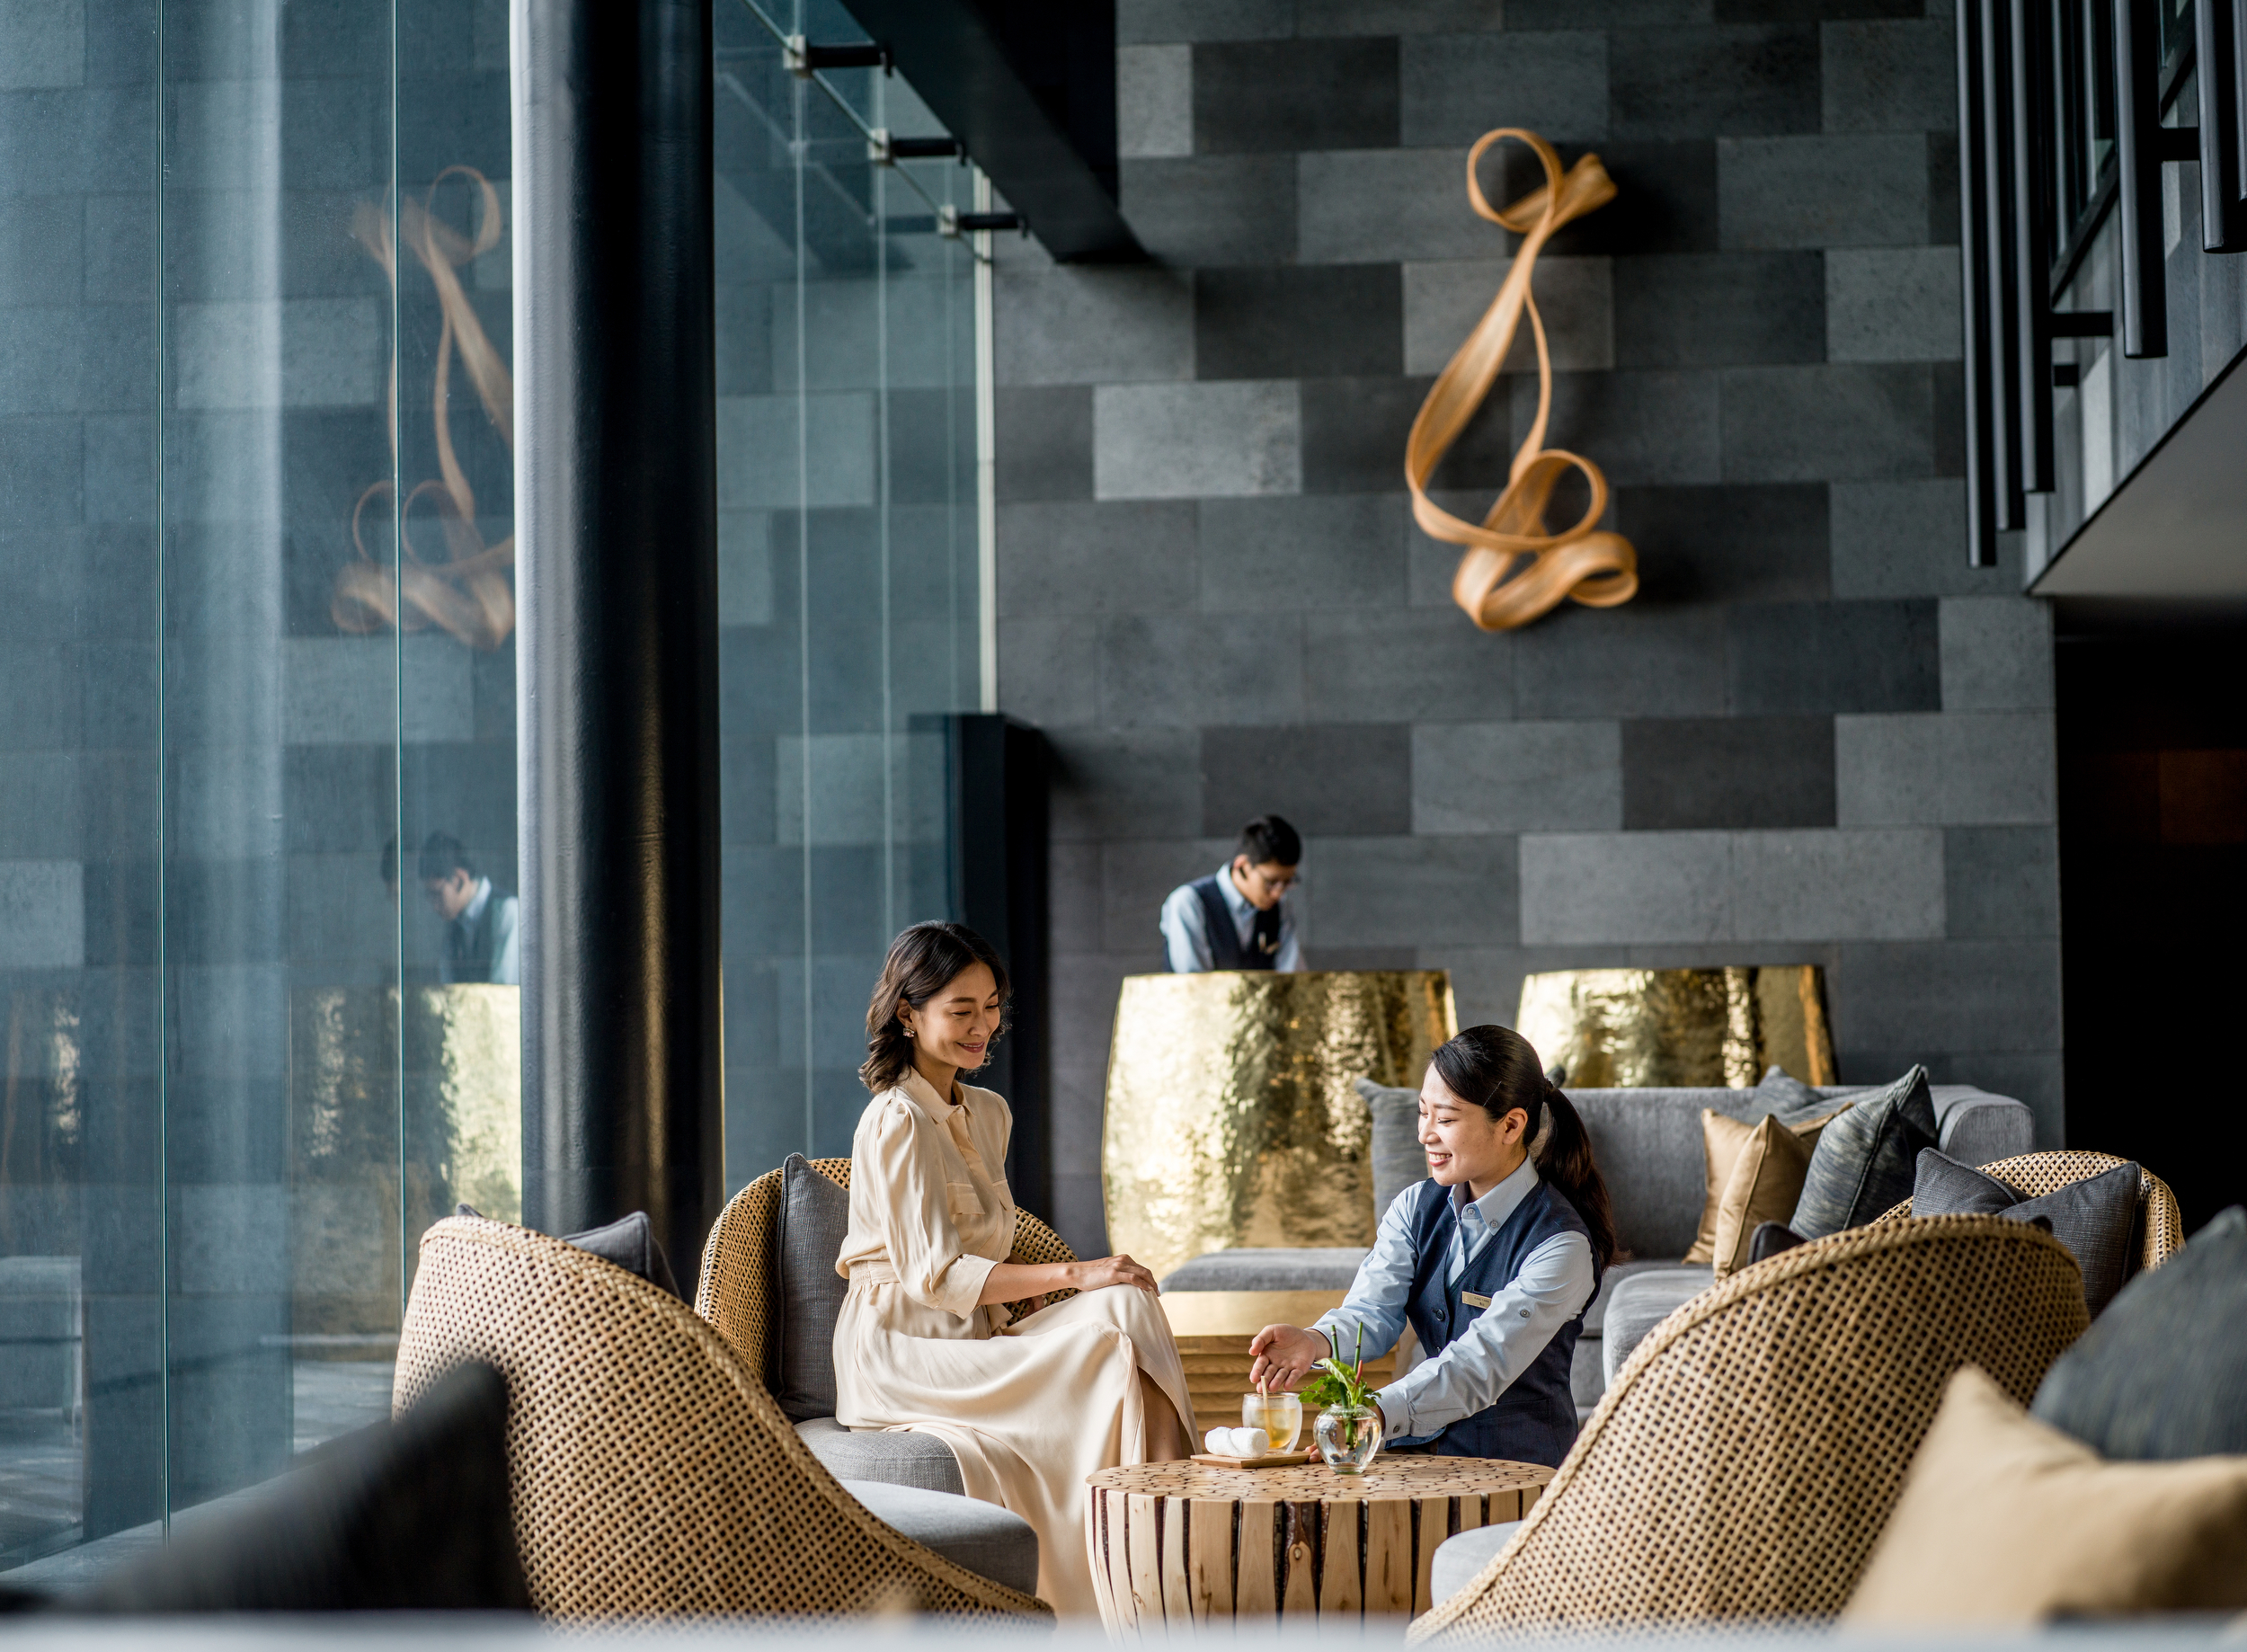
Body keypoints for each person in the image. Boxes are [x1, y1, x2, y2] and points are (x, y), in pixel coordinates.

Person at [832, 921, 1197, 1614]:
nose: (983, 1027)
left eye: (991, 1006)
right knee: (1105, 1343)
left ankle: (1165, 1524)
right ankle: (1157, 1568)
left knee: (1127, 1302)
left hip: (978, 1335)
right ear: (908, 1013)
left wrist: (1045, 1288)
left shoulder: (989, 1112)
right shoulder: (895, 1121)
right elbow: (937, 1278)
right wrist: (1073, 1275)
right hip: (901, 1352)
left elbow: (990, 1248)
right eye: (961, 1011)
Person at [1246, 1024, 1615, 1468]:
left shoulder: (1561, 1246)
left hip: (1517, 1469)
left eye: (1446, 1119)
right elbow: (1373, 1311)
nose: (1425, 1134)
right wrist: (1315, 1340)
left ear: (1511, 1125)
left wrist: (1377, 1413)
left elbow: (1478, 1366)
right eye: (1423, 1113)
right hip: (1420, 1455)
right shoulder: (1413, 1207)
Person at [1158, 813, 1303, 973]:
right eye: (1271, 882)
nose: (1277, 893)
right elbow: (1193, 982)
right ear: (1242, 866)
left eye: (1287, 882)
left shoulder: (1281, 908)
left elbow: (1292, 976)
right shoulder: (1188, 902)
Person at [418, 833, 520, 986]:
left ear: (459, 879)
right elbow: (446, 985)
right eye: (429, 896)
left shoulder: (508, 911)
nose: (434, 906)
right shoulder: (454, 923)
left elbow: (504, 989)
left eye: (437, 894)